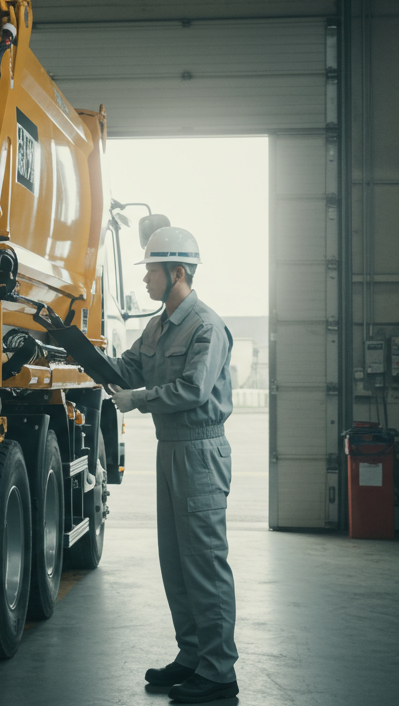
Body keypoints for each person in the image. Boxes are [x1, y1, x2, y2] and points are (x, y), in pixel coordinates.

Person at [107, 226, 238, 704]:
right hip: (171, 448)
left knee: (204, 562)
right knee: (176, 563)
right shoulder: (160, 324)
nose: (145, 279)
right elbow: (129, 367)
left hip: (200, 452)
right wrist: (80, 352)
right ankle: (193, 655)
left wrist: (137, 399)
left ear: (176, 272)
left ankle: (220, 670)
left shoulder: (205, 325)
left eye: (151, 271)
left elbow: (193, 390)